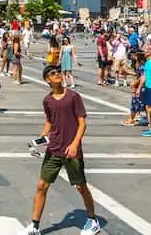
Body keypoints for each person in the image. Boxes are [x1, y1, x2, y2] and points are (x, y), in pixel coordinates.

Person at [25, 64, 101, 235]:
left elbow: (82, 123)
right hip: (53, 149)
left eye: (58, 72)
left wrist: (74, 144)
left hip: (71, 150)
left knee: (80, 186)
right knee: (42, 186)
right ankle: (34, 226)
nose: (58, 74)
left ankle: (93, 219)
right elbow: (50, 121)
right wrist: (41, 137)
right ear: (48, 80)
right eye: (53, 73)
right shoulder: (48, 100)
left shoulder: (73, 97)